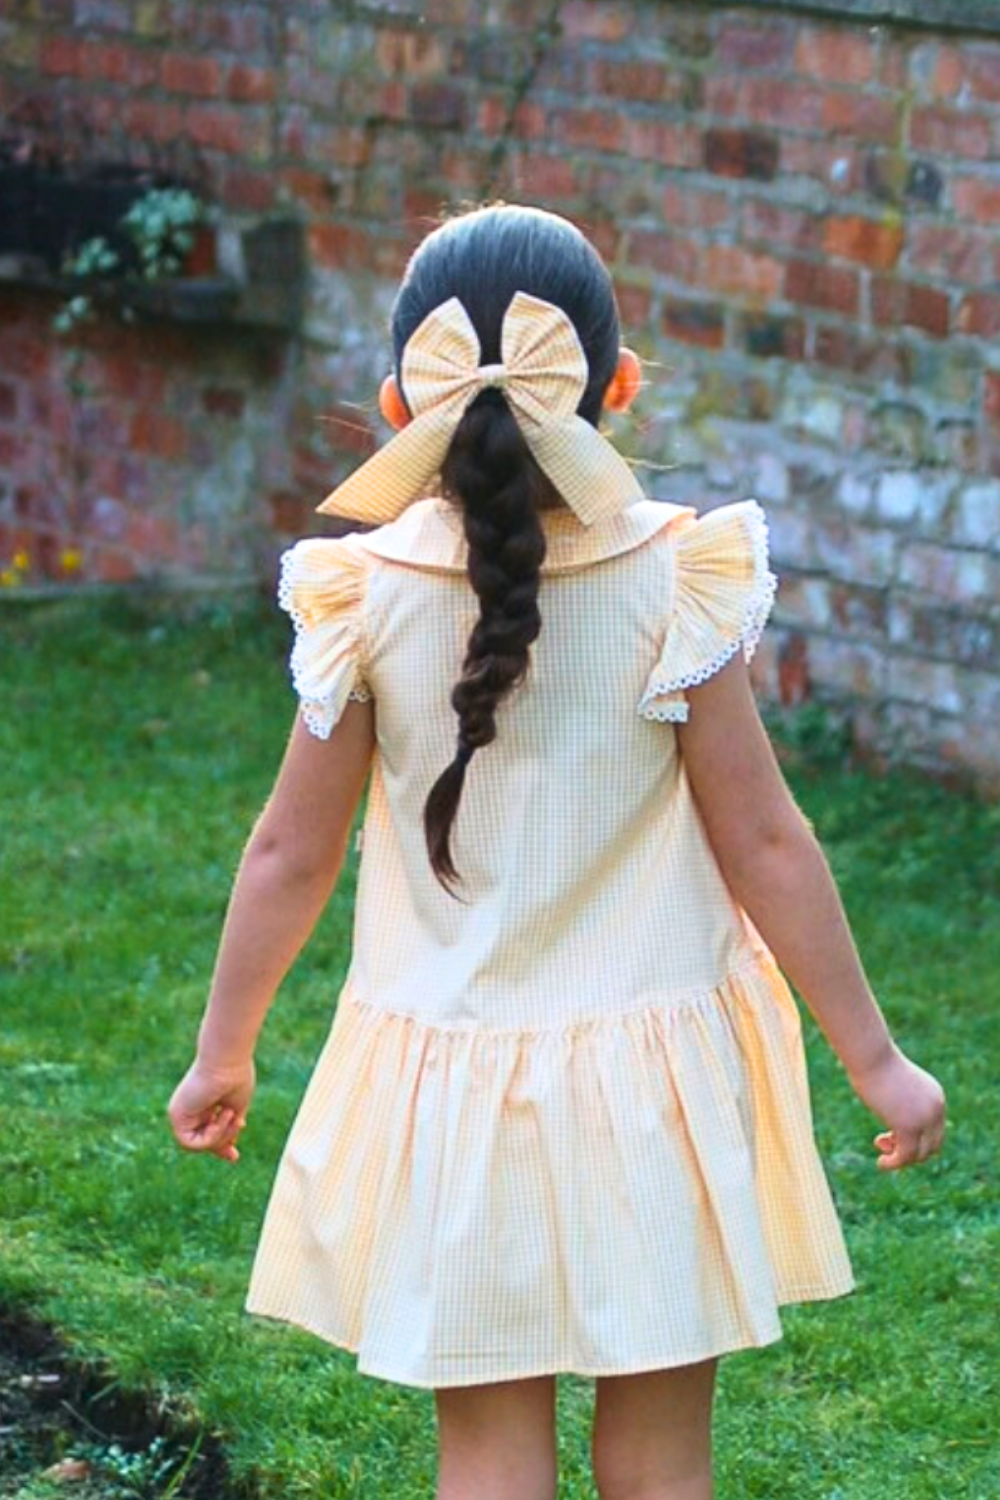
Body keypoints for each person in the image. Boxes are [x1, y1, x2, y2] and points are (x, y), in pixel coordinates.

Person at [167, 202, 946, 1500]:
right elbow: (765, 837)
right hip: (656, 1083)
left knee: (488, 1460)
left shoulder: (364, 597)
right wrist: (876, 1059)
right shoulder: (676, 582)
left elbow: (284, 858)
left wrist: (224, 1049)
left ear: (393, 398)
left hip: (453, 1092)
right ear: (620, 388)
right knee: (656, 1461)